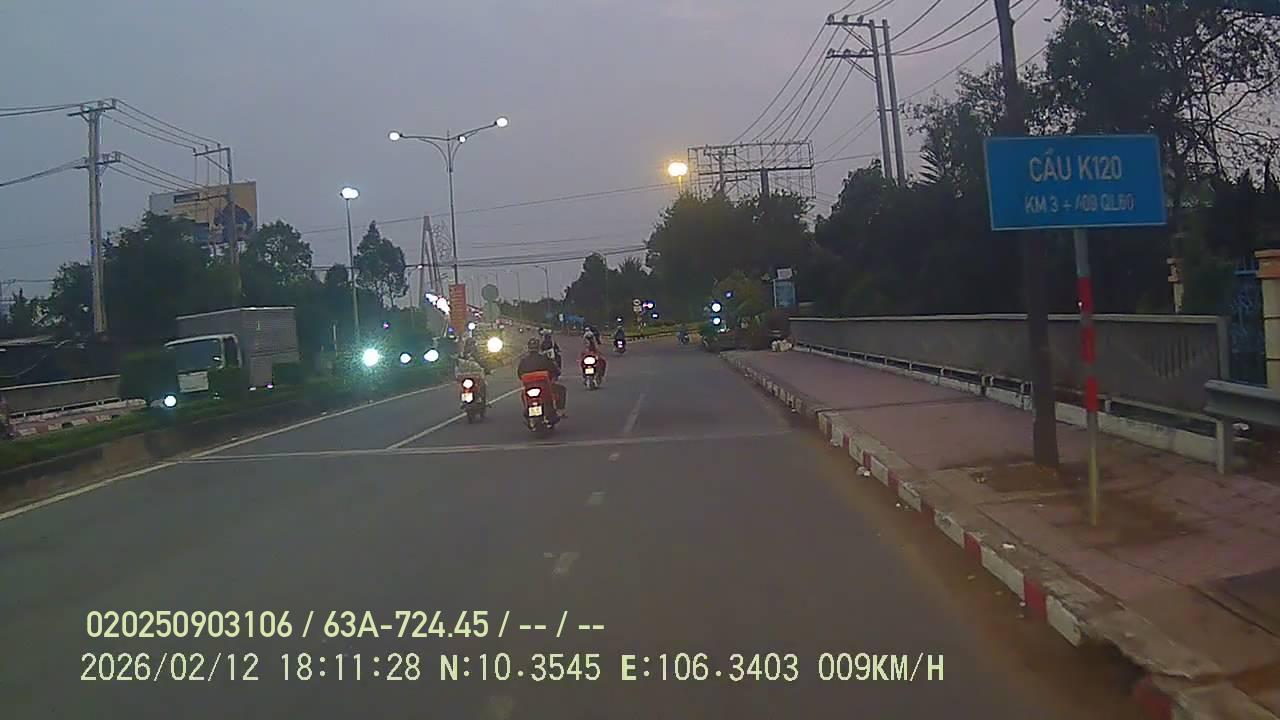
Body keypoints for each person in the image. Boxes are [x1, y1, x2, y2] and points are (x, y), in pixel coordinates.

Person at [518, 337, 566, 414]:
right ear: (538, 347)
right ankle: (560, 410)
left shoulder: (523, 361)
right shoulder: (545, 359)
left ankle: (527, 409)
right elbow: (555, 370)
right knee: (561, 390)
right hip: (545, 388)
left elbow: (520, 374)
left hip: (530, 388)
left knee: (523, 395)